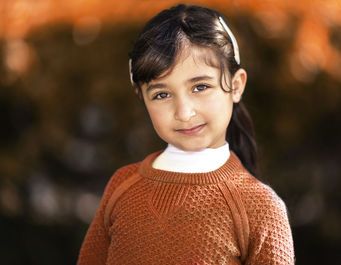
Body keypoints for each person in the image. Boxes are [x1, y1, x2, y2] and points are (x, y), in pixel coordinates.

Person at [77, 4, 294, 265]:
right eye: (162, 94)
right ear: (142, 98)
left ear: (235, 86)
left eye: (200, 86)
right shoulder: (121, 187)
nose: (184, 112)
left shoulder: (260, 208)